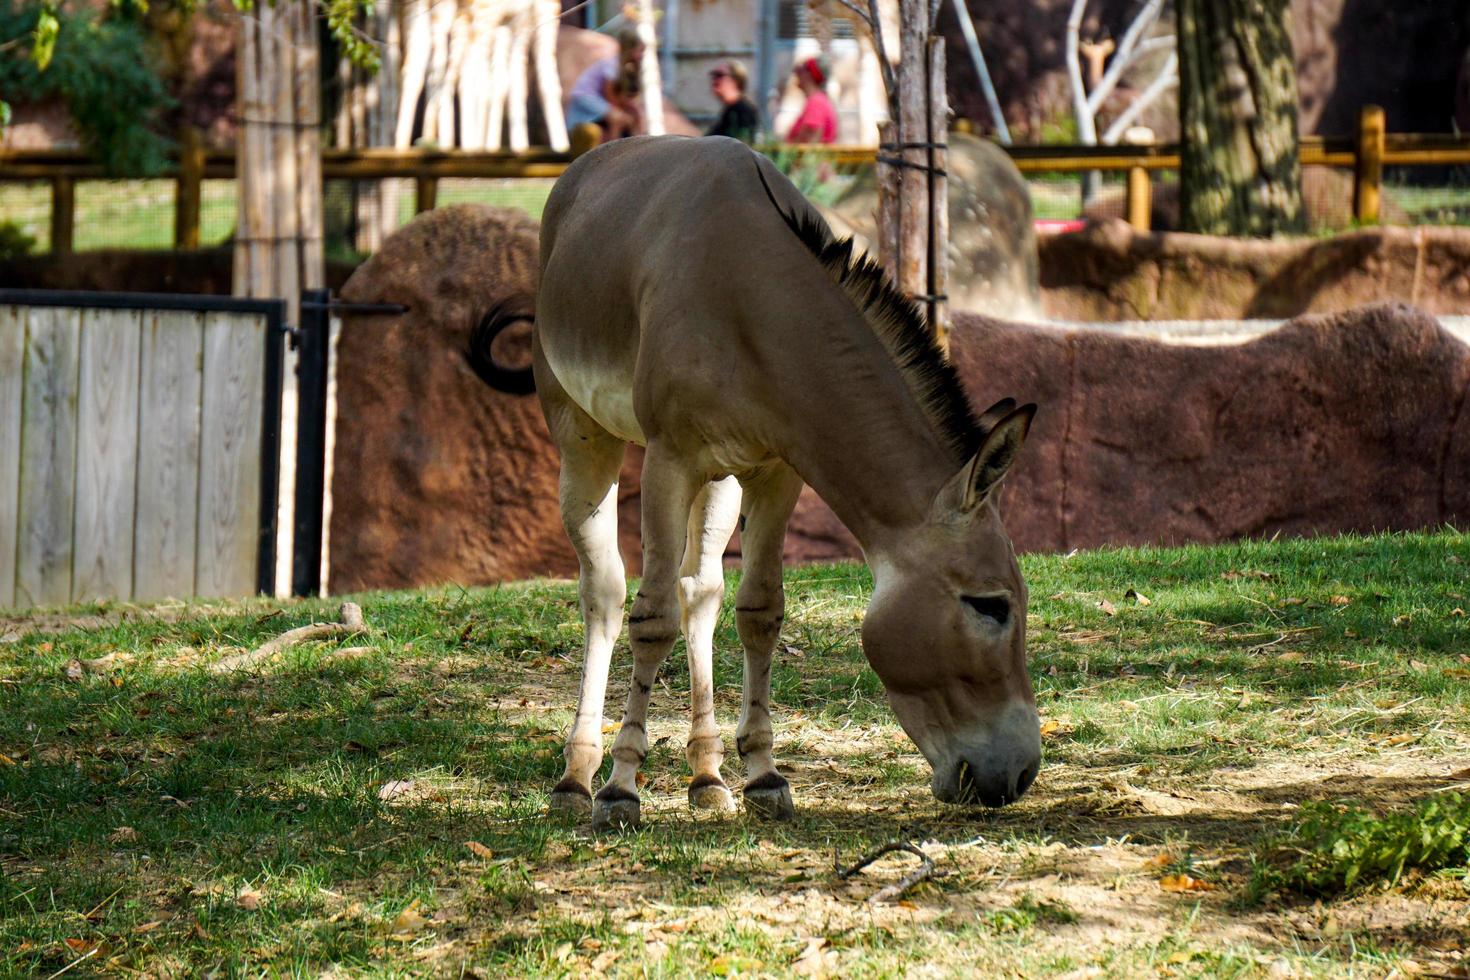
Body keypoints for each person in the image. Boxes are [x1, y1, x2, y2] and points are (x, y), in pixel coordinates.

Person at [567, 27, 645, 142]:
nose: (641, 55)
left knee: (631, 117)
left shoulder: (627, 68)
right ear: (630, 49)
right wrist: (619, 110)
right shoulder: (612, 64)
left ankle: (638, 144)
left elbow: (622, 96)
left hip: (598, 99)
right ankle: (613, 150)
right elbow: (609, 93)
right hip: (586, 96)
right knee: (617, 118)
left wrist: (631, 108)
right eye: (639, 51)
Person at [705, 60, 760, 144]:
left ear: (735, 80)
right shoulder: (730, 109)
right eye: (713, 76)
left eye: (719, 75)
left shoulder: (743, 110)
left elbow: (743, 144)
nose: (714, 80)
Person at [785, 56, 837, 144]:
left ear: (809, 75)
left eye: (801, 71)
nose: (797, 75)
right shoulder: (819, 99)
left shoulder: (816, 102)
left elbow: (811, 137)